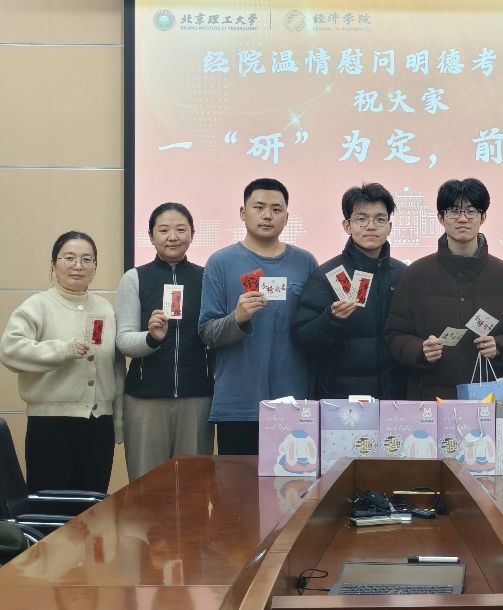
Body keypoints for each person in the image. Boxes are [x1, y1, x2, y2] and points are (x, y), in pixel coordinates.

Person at [384, 178, 503, 400]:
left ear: (483, 217)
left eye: (471, 211)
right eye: (454, 210)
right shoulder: (415, 275)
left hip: (488, 398)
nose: (463, 218)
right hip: (430, 400)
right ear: (441, 217)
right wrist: (419, 349)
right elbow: (394, 335)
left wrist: (501, 346)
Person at [198, 178, 317, 455]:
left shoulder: (305, 262)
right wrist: (237, 318)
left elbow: (312, 328)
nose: (267, 215)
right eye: (259, 207)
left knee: (291, 478)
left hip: (293, 400)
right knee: (236, 482)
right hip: (238, 402)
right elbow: (207, 333)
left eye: (276, 209)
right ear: (242, 213)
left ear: (287, 217)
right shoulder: (220, 262)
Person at [0, 231, 123, 494]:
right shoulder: (37, 306)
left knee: (92, 505)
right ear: (53, 264)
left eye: (87, 259)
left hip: (99, 423)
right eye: (69, 258)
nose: (78, 266)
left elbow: (115, 368)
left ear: (95, 266)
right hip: (51, 424)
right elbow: (10, 351)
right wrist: (62, 350)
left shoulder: (105, 309)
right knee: (50, 505)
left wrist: (118, 421)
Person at [115, 203, 214, 481]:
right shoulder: (134, 278)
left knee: (193, 486)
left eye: (181, 229)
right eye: (163, 230)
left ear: (192, 234)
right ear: (150, 236)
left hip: (196, 398)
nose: (173, 237)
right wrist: (151, 338)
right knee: (147, 487)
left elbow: (214, 333)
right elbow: (123, 340)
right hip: (145, 399)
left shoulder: (207, 278)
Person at [292, 183, 407, 399]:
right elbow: (302, 336)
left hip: (395, 397)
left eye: (380, 219)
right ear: (347, 225)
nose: (371, 226)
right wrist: (330, 320)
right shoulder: (326, 275)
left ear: (389, 227)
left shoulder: (404, 275)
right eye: (362, 219)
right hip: (341, 398)